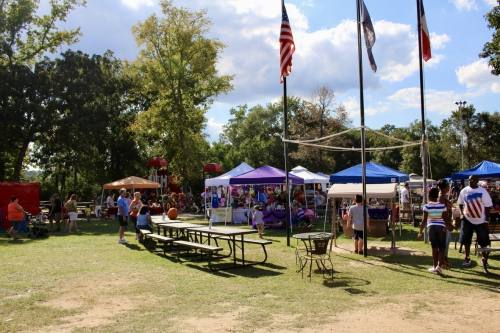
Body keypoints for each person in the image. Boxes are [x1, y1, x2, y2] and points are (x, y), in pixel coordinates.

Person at [457, 175, 493, 273]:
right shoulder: (464, 191)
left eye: (472, 179)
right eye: (469, 179)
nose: (470, 181)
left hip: (481, 221)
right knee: (466, 239)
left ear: (477, 181)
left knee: (484, 241)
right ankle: (467, 258)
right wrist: (461, 214)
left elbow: (488, 206)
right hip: (467, 219)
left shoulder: (483, 191)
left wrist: (485, 220)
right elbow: (460, 203)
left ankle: (484, 259)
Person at [419, 187, 447, 274]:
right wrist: (448, 226)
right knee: (442, 248)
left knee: (434, 248)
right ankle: (439, 267)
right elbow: (446, 218)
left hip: (431, 228)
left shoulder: (426, 206)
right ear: (437, 196)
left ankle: (435, 266)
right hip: (441, 228)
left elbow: (424, 220)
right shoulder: (442, 206)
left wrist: (420, 231)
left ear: (429, 196)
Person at [437, 179, 453, 269]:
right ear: (444, 187)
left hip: (445, 223)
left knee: (445, 244)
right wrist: (449, 224)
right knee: (444, 244)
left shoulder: (443, 196)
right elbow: (443, 213)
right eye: (448, 186)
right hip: (443, 224)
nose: (449, 187)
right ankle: (442, 262)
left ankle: (444, 261)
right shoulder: (441, 198)